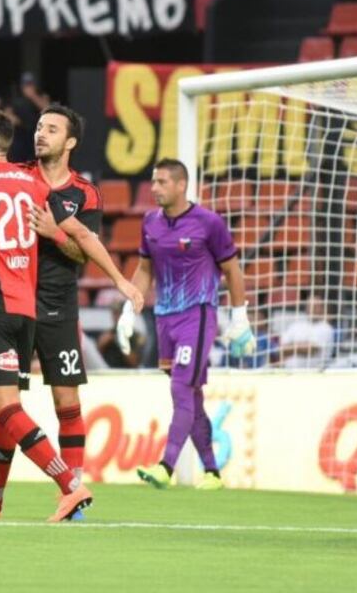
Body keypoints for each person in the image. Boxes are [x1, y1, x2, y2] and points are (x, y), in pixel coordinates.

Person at [0, 106, 143, 522]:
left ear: (70, 142)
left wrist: (55, 233)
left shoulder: (82, 193)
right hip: (23, 301)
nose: (41, 134)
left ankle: (67, 487)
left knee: (42, 401)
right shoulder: (25, 177)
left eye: (52, 129)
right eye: (38, 127)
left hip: (46, 304)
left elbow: (79, 245)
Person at [116, 158, 255, 491]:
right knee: (191, 395)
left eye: (162, 182)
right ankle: (212, 472)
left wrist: (239, 316)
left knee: (180, 388)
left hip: (198, 314)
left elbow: (232, 270)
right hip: (165, 317)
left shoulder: (209, 223)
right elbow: (145, 269)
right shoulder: (150, 222)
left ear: (182, 185)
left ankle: (166, 466)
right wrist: (128, 310)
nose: (154, 188)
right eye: (153, 181)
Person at [278, 294, 335, 369]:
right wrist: (302, 345)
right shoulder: (295, 325)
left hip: (314, 376)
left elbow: (310, 349)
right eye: (309, 306)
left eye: (315, 307)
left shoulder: (326, 328)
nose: (311, 309)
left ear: (323, 308)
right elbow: (281, 349)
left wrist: (292, 346)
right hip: (290, 374)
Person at [5, 73, 50, 162]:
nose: (28, 88)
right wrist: (15, 120)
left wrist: (33, 96)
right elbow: (7, 114)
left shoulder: (41, 96)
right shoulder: (15, 98)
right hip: (19, 136)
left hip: (35, 135)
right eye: (26, 85)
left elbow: (47, 109)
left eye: (30, 85)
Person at [99, 300, 144, 368]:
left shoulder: (134, 335)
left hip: (127, 373)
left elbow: (134, 363)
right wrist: (102, 344)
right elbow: (96, 358)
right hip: (108, 371)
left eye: (119, 313)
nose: (116, 317)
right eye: (114, 313)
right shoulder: (108, 334)